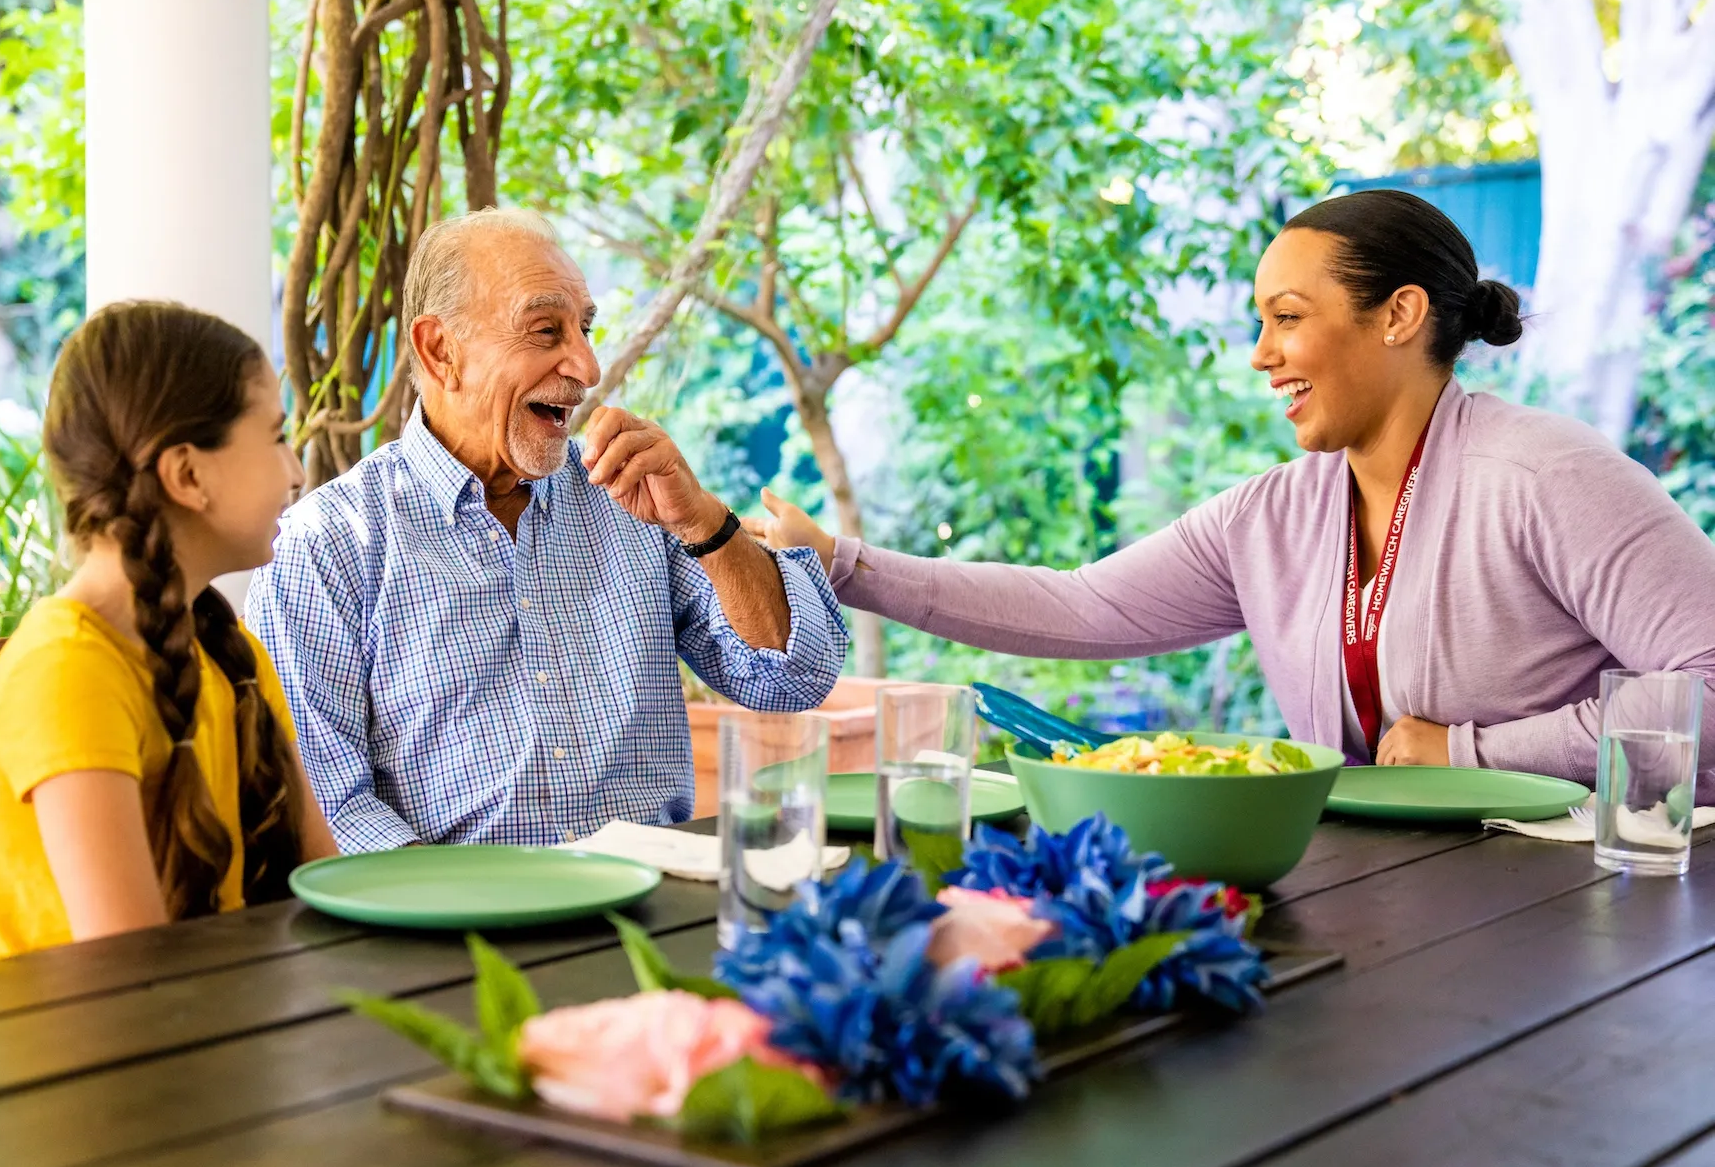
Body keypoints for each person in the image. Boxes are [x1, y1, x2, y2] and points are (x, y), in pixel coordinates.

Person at [748, 189, 1715, 795]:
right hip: (1390, 906)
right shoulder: (1277, 515)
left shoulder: (1547, 477)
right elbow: (1082, 606)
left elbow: (1707, 689)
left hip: (1589, 928)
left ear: (1400, 316)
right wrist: (841, 565)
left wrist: (1474, 753)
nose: (1262, 355)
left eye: (1289, 318)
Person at [245, 208, 847, 848]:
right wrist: (476, 919)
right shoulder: (327, 544)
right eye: (545, 331)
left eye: (584, 329)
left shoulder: (632, 498)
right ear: (440, 350)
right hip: (457, 930)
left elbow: (795, 676)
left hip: (654, 905)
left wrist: (703, 521)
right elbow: (328, 806)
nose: (587, 368)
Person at [0, 302, 339, 961]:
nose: (298, 471)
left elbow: (325, 884)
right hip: (107, 1053)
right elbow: (131, 978)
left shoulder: (227, 648)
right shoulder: (68, 673)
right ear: (188, 474)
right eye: (278, 437)